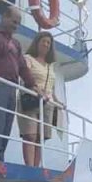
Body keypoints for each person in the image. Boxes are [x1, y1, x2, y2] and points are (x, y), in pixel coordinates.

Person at [0, 6, 36, 162]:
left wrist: (33, 85)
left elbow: (22, 67)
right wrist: (7, 46)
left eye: (18, 23)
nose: (16, 26)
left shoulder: (16, 44)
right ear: (4, 17)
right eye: (14, 22)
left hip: (11, 88)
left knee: (6, 127)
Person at [20, 31, 59, 167]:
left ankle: (36, 168)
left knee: (41, 137)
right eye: (44, 41)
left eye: (49, 43)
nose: (46, 44)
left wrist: (57, 101)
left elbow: (51, 86)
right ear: (37, 43)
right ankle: (30, 167)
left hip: (47, 103)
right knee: (30, 135)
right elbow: (25, 75)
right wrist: (37, 90)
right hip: (31, 97)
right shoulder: (28, 58)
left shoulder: (50, 66)